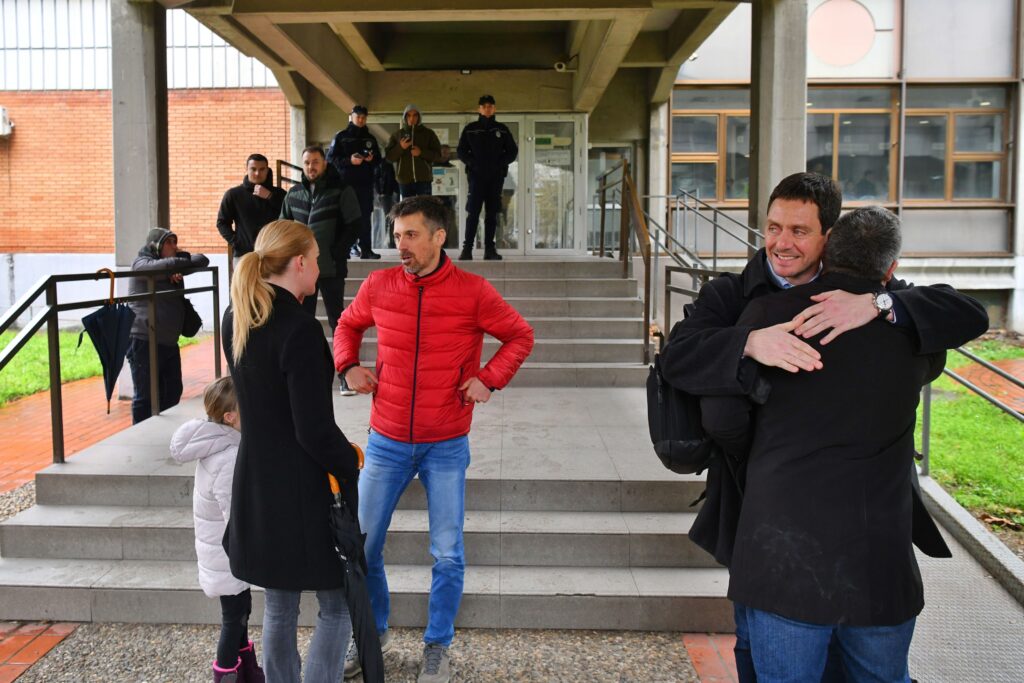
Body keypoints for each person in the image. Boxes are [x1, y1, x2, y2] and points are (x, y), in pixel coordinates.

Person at [659, 171, 989, 682]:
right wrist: (747, 345)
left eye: (798, 231)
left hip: (857, 526)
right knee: (760, 650)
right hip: (764, 515)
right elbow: (677, 357)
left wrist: (878, 304)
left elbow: (967, 312)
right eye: (772, 228)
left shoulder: (882, 297)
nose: (780, 243)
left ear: (829, 237)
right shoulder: (735, 295)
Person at [333, 196, 534, 683]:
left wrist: (489, 377)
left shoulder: (473, 291)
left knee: (448, 552)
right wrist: (348, 364)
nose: (399, 245)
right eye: (396, 235)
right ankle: (372, 634)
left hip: (445, 441)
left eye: (410, 235)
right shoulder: (380, 285)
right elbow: (348, 324)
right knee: (363, 546)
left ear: (439, 236)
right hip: (386, 439)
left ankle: (437, 646)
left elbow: (520, 336)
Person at [223, 220, 362, 683]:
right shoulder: (299, 329)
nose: (320, 268)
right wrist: (349, 461)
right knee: (337, 604)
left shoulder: (238, 315)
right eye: (318, 259)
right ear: (299, 263)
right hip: (301, 491)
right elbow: (314, 429)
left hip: (257, 483)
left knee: (280, 604)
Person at [170, 376, 265, 683]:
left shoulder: (218, 444)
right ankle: (225, 676)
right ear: (230, 417)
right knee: (234, 617)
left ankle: (247, 671)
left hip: (223, 553)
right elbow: (233, 514)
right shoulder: (228, 455)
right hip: (228, 556)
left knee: (240, 613)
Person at [280, 145, 362, 395]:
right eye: (306, 163)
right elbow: (282, 229)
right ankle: (305, 375)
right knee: (300, 324)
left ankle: (345, 374)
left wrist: (338, 251)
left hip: (331, 268)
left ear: (324, 163)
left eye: (315, 162)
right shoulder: (293, 194)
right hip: (300, 273)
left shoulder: (341, 190)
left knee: (340, 322)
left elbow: (355, 224)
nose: (310, 167)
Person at [127, 228, 209, 424]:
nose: (174, 246)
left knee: (172, 390)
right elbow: (147, 269)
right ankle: (141, 432)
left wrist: (175, 266)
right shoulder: (140, 262)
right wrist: (172, 268)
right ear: (156, 245)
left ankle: (159, 427)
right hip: (144, 340)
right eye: (169, 243)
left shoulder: (167, 266)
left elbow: (202, 260)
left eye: (175, 242)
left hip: (168, 341)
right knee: (145, 395)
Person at [456, 94, 518, 261]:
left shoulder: (502, 129)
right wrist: (472, 163)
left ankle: (489, 250)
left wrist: (500, 164)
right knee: (473, 213)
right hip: (476, 178)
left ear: (494, 108)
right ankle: (467, 249)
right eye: (484, 106)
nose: (487, 108)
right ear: (479, 109)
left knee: (492, 214)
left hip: (495, 178)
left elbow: (512, 151)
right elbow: (461, 151)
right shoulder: (471, 129)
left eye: (490, 105)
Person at [327, 105, 383, 260]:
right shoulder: (341, 136)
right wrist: (349, 161)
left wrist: (372, 160)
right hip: (346, 184)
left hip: (365, 184)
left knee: (365, 217)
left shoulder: (370, 138)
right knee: (346, 217)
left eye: (363, 117)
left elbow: (379, 160)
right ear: (351, 116)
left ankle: (366, 250)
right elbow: (331, 159)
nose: (361, 120)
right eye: (358, 116)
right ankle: (345, 249)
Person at [216, 154, 286, 267]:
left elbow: (289, 218)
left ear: (267, 170)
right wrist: (236, 242)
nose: (257, 173)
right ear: (246, 169)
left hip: (273, 255)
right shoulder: (234, 194)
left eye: (262, 169)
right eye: (253, 169)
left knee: (272, 286)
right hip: (244, 256)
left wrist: (270, 196)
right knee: (243, 285)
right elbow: (222, 222)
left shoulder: (279, 194)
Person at [384, 104, 442, 200]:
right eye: (409, 115)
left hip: (424, 180)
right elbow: (389, 158)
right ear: (405, 117)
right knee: (408, 212)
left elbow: (438, 156)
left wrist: (421, 153)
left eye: (415, 115)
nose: (412, 118)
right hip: (404, 181)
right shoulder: (397, 135)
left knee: (424, 209)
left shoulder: (429, 134)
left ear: (419, 117)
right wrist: (400, 147)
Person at [375, 160, 400, 248]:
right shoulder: (385, 164)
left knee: (389, 219)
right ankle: (389, 241)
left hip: (391, 192)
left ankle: (390, 241)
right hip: (387, 194)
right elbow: (378, 179)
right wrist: (381, 192)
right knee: (388, 219)